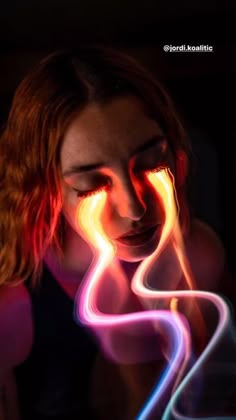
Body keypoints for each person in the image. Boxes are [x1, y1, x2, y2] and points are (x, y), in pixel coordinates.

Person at [0, 46, 227, 420]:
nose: (135, 209)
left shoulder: (199, 257)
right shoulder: (14, 304)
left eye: (152, 163)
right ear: (46, 190)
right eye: (92, 184)